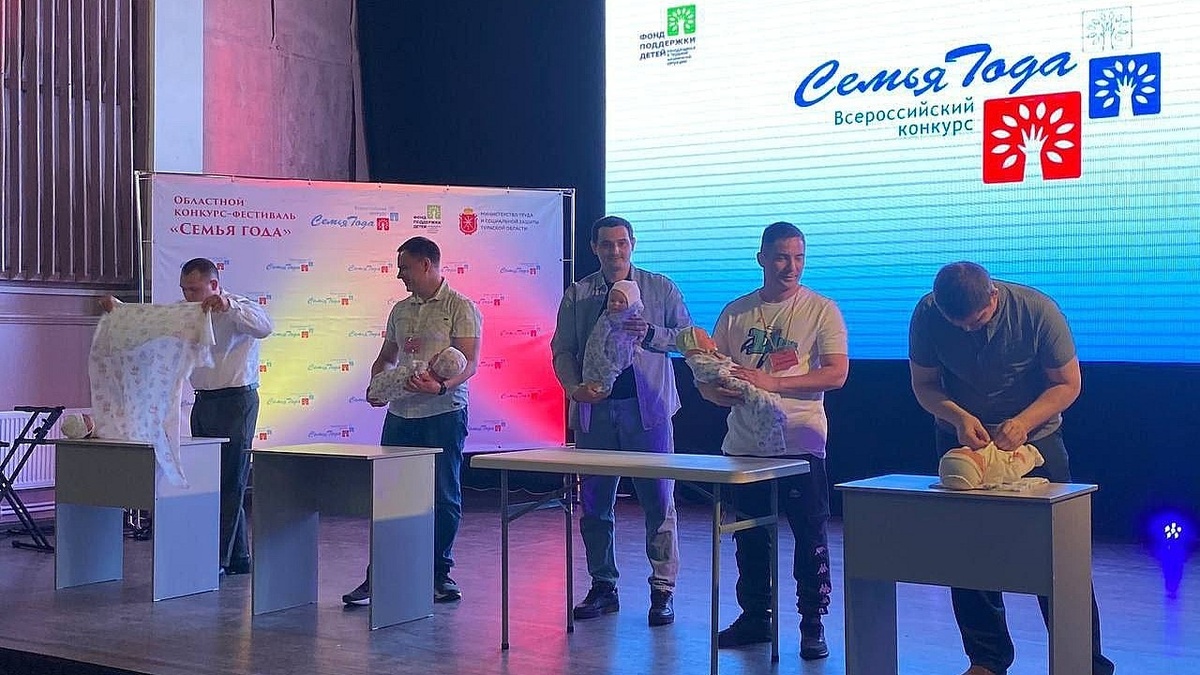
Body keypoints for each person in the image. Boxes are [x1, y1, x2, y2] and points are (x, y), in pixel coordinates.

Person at [908, 261, 1115, 675]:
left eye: (977, 321)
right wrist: (958, 417)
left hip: (1036, 440)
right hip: (964, 443)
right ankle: (986, 659)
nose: (968, 330)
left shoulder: (1037, 311)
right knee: (967, 553)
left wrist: (1023, 422)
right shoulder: (927, 314)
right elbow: (924, 385)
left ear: (994, 297)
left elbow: (1068, 382)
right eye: (958, 325)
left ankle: (1084, 662)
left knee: (1059, 553)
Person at [696, 221, 847, 660]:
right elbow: (709, 369)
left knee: (809, 536)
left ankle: (812, 624)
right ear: (762, 258)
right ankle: (755, 618)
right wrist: (712, 392)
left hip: (799, 444)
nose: (791, 267)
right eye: (782, 257)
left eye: (799, 258)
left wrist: (772, 383)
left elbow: (836, 373)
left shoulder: (821, 309)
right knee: (749, 538)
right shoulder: (736, 312)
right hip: (745, 445)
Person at [550, 215, 691, 627]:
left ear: (633, 244)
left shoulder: (660, 288)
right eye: (607, 244)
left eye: (622, 243)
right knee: (595, 506)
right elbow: (562, 350)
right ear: (594, 248)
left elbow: (687, 338)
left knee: (659, 502)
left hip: (648, 412)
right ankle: (603, 585)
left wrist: (651, 334)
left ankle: (662, 590)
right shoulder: (578, 294)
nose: (615, 251)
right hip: (596, 413)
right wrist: (574, 388)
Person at [100, 257, 273, 575]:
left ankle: (217, 559)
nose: (188, 295)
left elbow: (264, 327)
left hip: (237, 401)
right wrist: (119, 310)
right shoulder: (185, 312)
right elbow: (150, 322)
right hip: (204, 401)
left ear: (214, 285)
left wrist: (229, 306)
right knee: (208, 478)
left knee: (231, 480)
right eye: (184, 289)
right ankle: (238, 558)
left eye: (194, 289)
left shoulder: (239, 306)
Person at [342, 236, 481, 606]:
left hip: (443, 414)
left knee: (443, 494)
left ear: (426, 264)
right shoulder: (400, 310)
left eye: (405, 267)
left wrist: (441, 386)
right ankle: (380, 574)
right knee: (388, 493)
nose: (400, 275)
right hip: (401, 415)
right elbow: (386, 357)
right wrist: (377, 384)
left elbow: (469, 362)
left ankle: (439, 574)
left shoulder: (460, 306)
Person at [580, 279, 644, 397]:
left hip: (631, 383)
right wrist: (608, 370)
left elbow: (636, 342)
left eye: (621, 302)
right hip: (603, 368)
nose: (615, 304)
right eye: (612, 301)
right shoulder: (606, 320)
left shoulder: (635, 321)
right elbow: (595, 344)